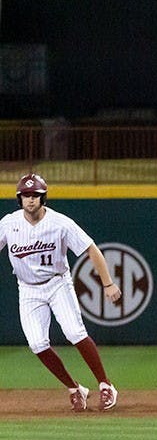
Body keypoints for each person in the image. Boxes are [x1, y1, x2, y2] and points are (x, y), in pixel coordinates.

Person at [0, 173, 121, 411]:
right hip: (28, 289)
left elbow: (91, 249)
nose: (30, 199)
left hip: (58, 284)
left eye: (35, 195)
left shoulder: (60, 223)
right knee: (37, 344)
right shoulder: (8, 224)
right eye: (26, 195)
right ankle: (75, 388)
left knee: (75, 333)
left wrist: (107, 283)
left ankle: (106, 386)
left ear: (43, 197)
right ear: (19, 199)